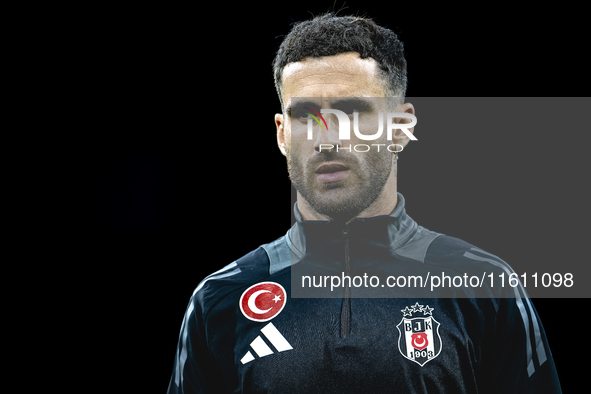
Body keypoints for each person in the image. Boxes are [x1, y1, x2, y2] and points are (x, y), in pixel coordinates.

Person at [167, 13, 561, 393]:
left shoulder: (485, 287)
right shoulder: (218, 300)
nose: (328, 140)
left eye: (352, 112)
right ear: (282, 134)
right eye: (306, 115)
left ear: (402, 127)